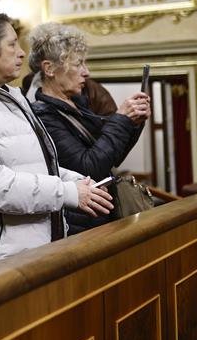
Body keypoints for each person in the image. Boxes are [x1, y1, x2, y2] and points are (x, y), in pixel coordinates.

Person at [0, 13, 114, 275]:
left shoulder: (8, 96)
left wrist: (77, 181)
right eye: (12, 44)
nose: (21, 53)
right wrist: (67, 192)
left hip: (28, 247)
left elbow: (35, 163)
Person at [27, 22, 149, 234]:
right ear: (49, 68)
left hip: (98, 214)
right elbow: (88, 168)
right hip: (80, 224)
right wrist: (121, 119)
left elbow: (111, 157)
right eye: (78, 64)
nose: (87, 72)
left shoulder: (78, 104)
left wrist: (133, 122)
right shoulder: (43, 115)